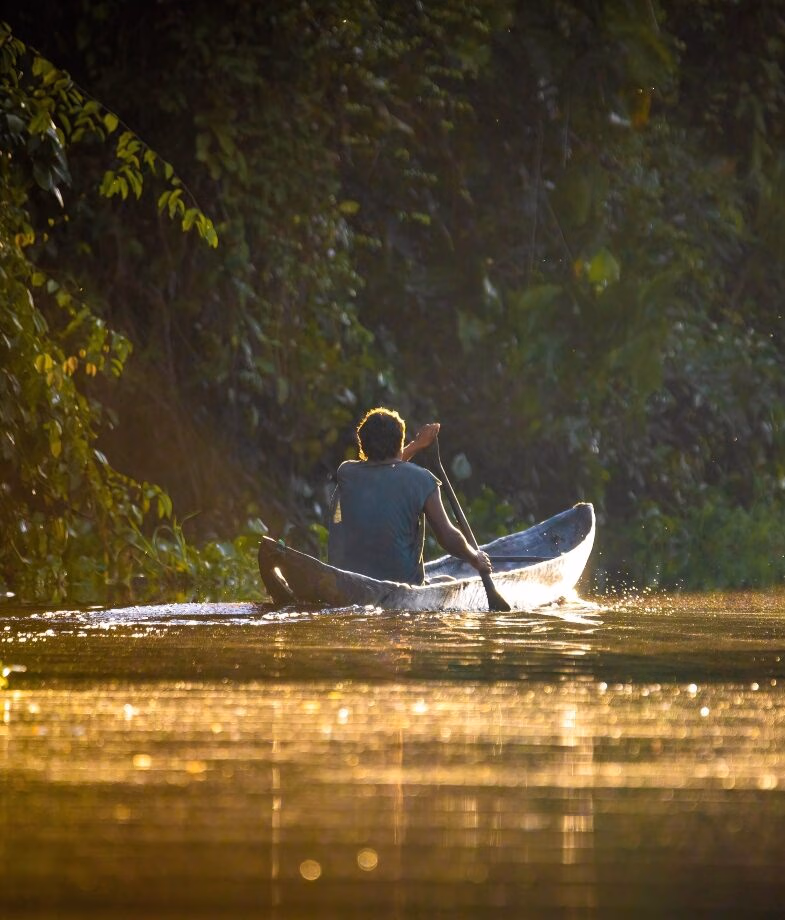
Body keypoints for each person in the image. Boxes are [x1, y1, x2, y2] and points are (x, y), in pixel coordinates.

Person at [328, 407, 492, 584]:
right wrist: (475, 558)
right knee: (447, 580)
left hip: (348, 582)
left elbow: (384, 467)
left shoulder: (347, 473)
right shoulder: (422, 479)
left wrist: (417, 445)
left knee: (443, 578)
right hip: (402, 583)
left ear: (363, 444)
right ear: (399, 441)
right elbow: (447, 536)